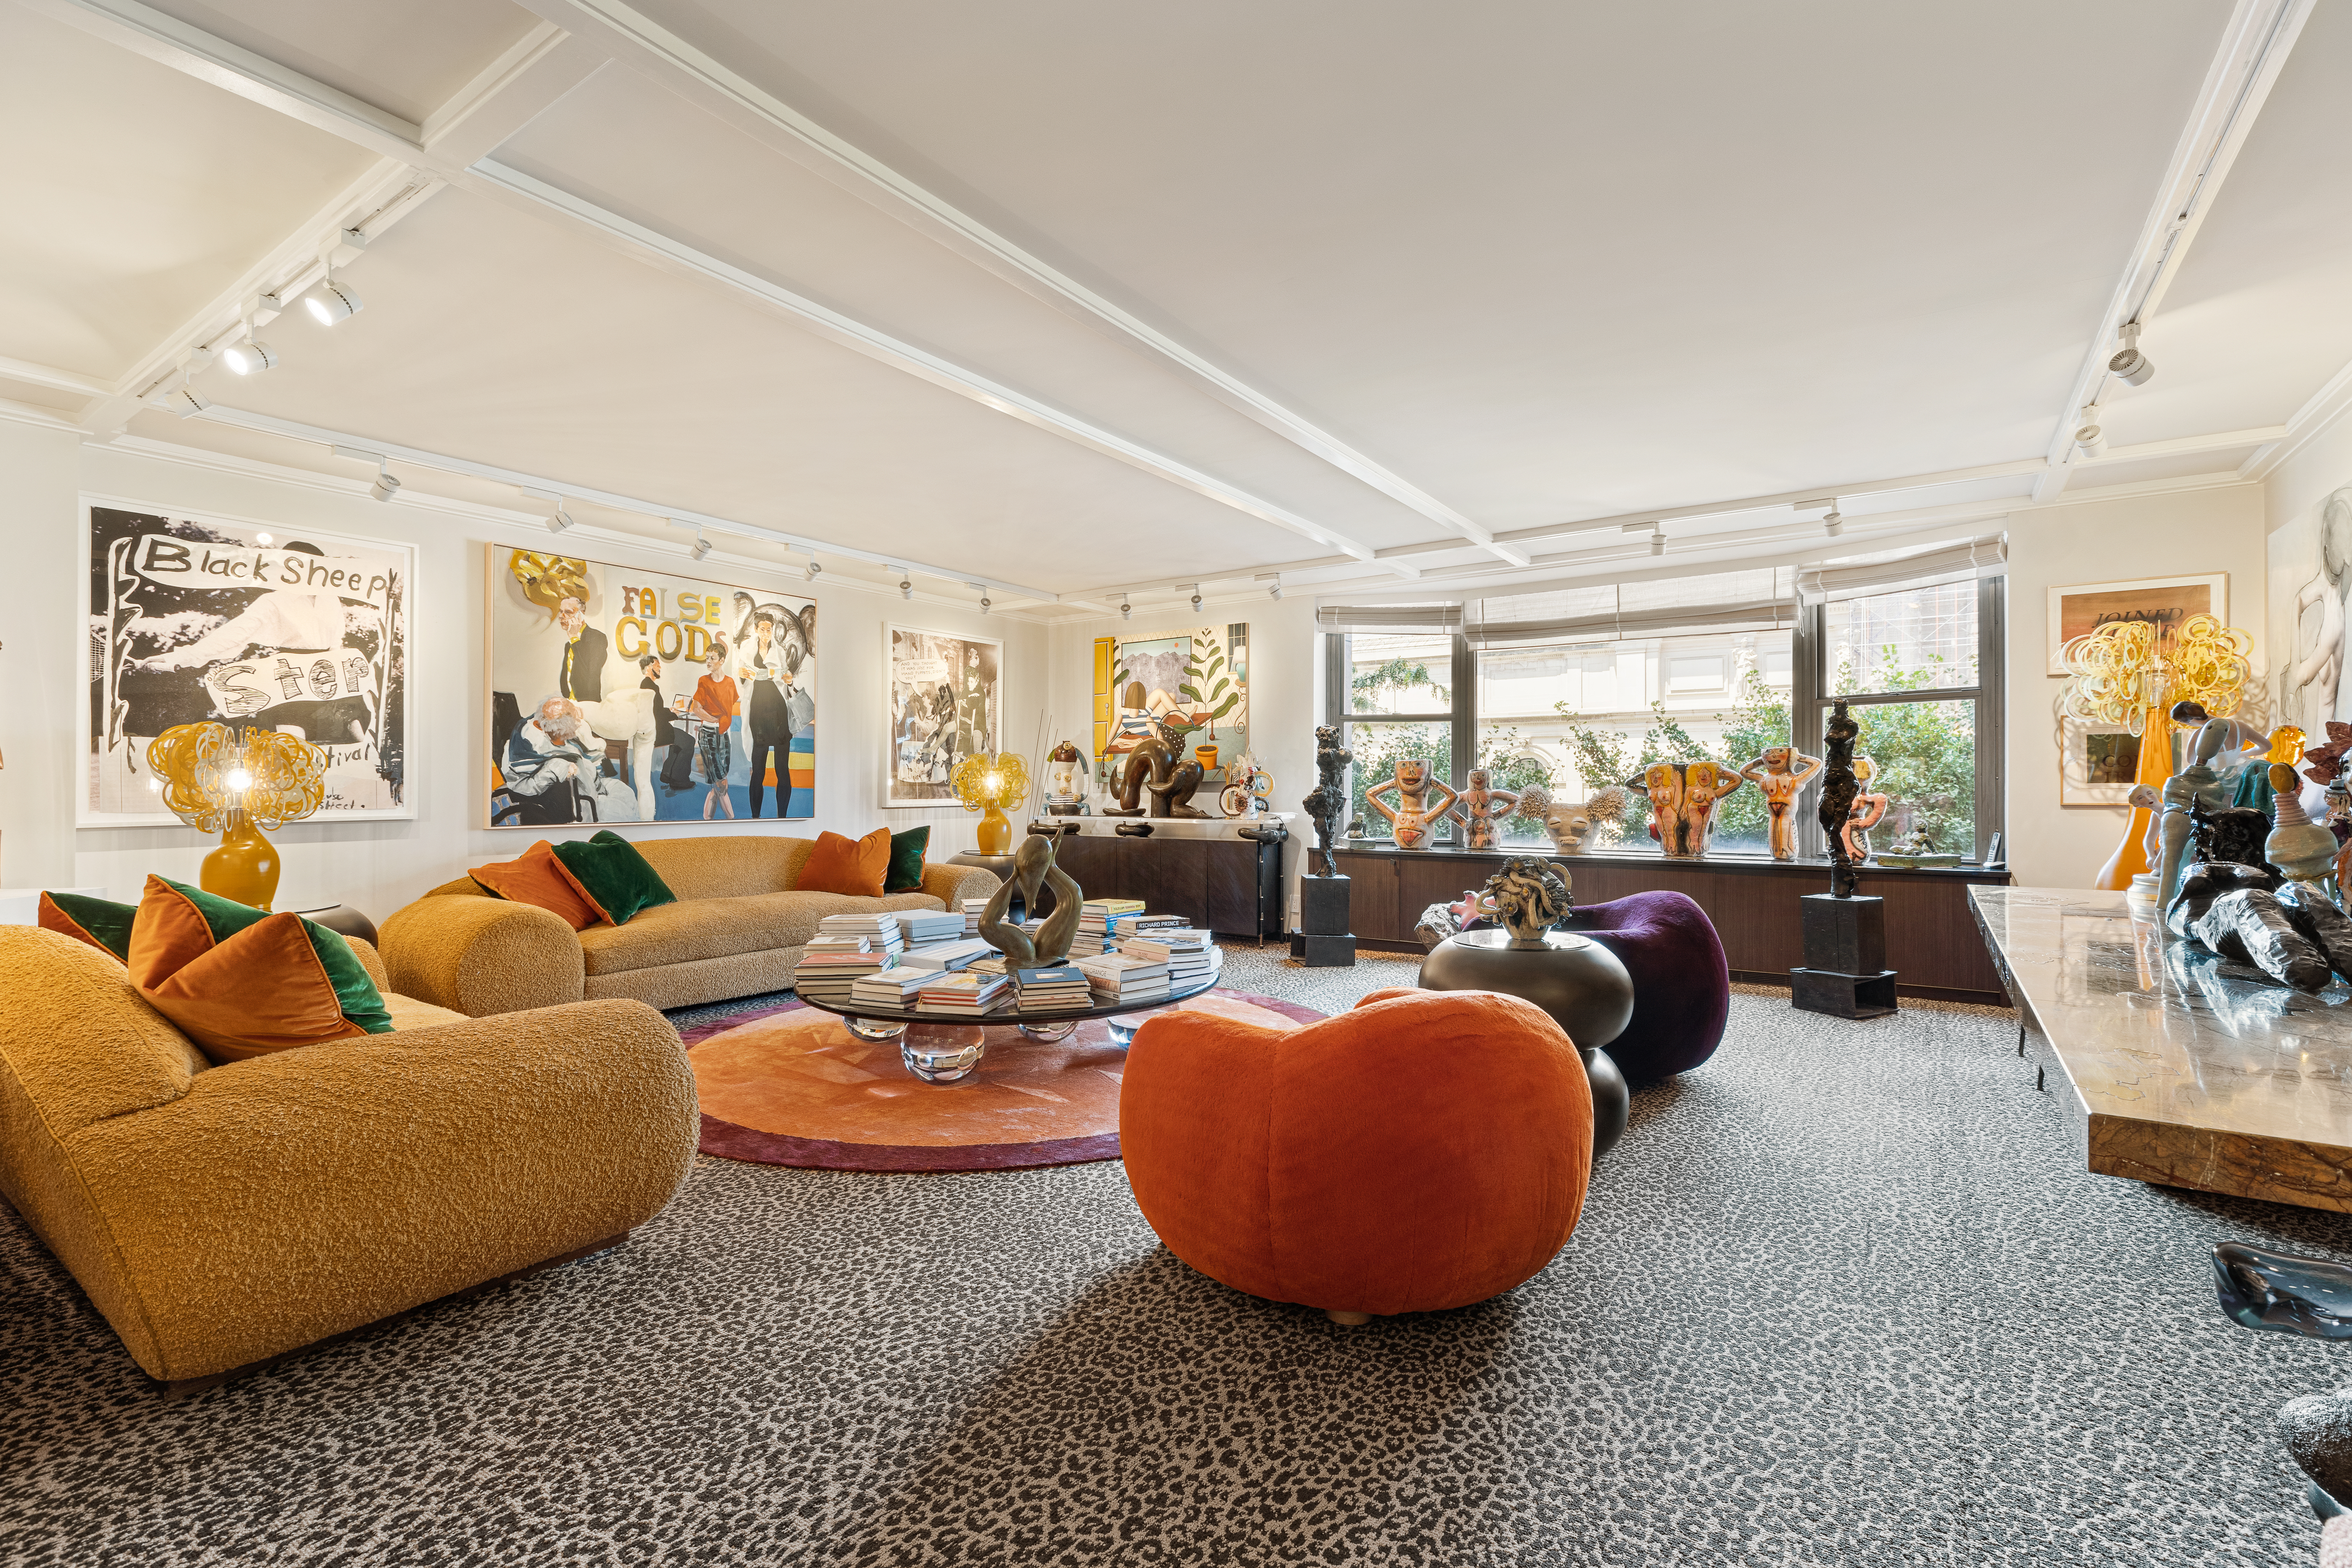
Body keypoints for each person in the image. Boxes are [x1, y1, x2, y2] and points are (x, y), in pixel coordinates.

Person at [503, 697, 640, 822]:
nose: (571, 736)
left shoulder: (556, 728)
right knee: (614, 811)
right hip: (565, 792)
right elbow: (525, 786)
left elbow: (584, 753)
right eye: (567, 734)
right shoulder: (528, 740)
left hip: (589, 783)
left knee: (624, 791)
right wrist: (558, 768)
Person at [739, 611, 792, 818]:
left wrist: (788, 678)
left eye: (769, 629)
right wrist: (742, 676)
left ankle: (783, 817)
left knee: (782, 770)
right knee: (758, 770)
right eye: (762, 629)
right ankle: (755, 817)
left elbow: (786, 679)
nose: (766, 633)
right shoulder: (746, 650)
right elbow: (742, 680)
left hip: (779, 713)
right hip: (758, 714)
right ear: (756, 630)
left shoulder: (780, 651)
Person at [689, 638, 738, 821]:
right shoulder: (704, 681)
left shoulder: (731, 683)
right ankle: (732, 822)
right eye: (707, 658)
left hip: (724, 737)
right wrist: (716, 720)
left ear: (722, 660)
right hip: (709, 736)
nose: (708, 662)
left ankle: (707, 822)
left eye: (713, 658)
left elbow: (729, 706)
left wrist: (722, 724)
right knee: (722, 783)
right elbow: (697, 709)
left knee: (716, 786)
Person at [641, 653, 693, 794]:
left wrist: (669, 710)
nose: (660, 668)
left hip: (658, 729)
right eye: (657, 665)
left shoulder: (647, 685)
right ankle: (678, 780)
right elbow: (656, 713)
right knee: (689, 742)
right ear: (649, 667)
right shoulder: (650, 686)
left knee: (679, 742)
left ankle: (667, 774)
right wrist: (673, 714)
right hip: (658, 732)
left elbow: (655, 709)